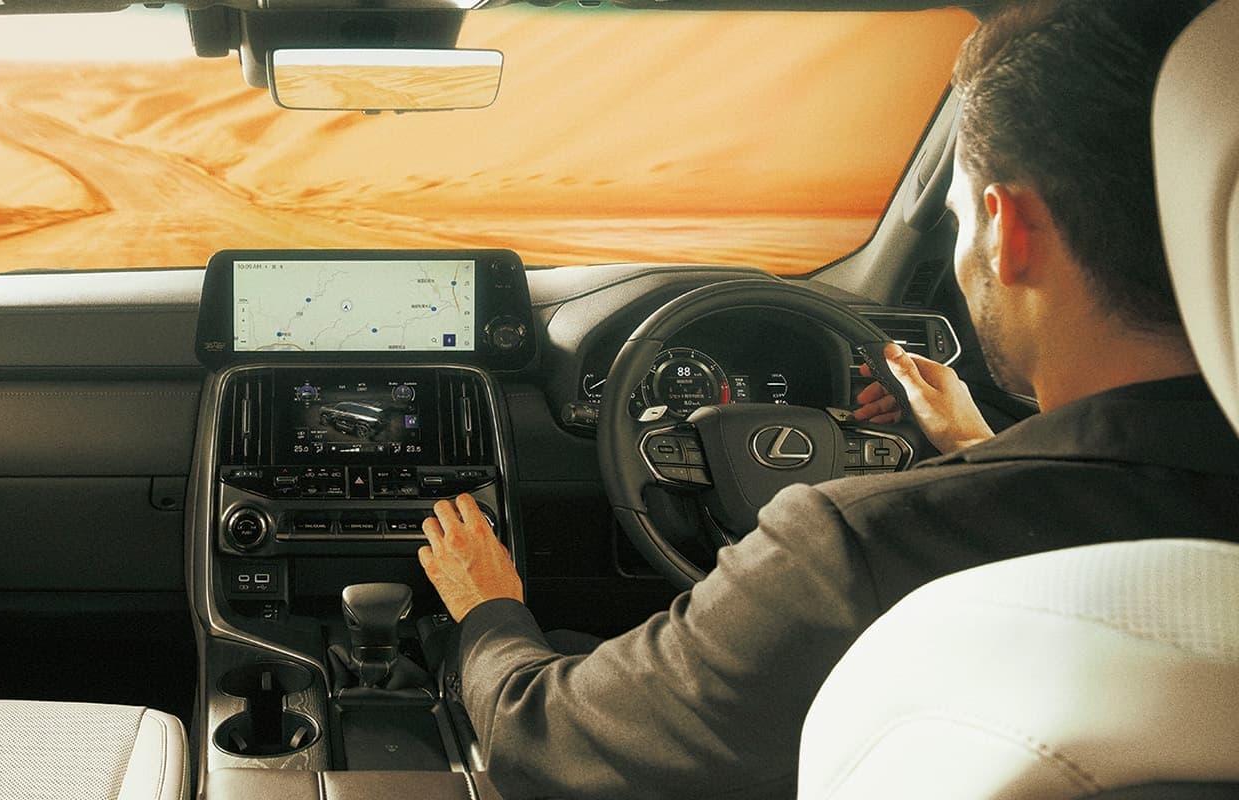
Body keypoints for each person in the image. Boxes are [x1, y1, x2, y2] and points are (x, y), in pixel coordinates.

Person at [416, 1, 1239, 797]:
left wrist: (487, 608)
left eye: (957, 221)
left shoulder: (853, 549)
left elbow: (546, 740)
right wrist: (979, 451)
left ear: (1011, 233)